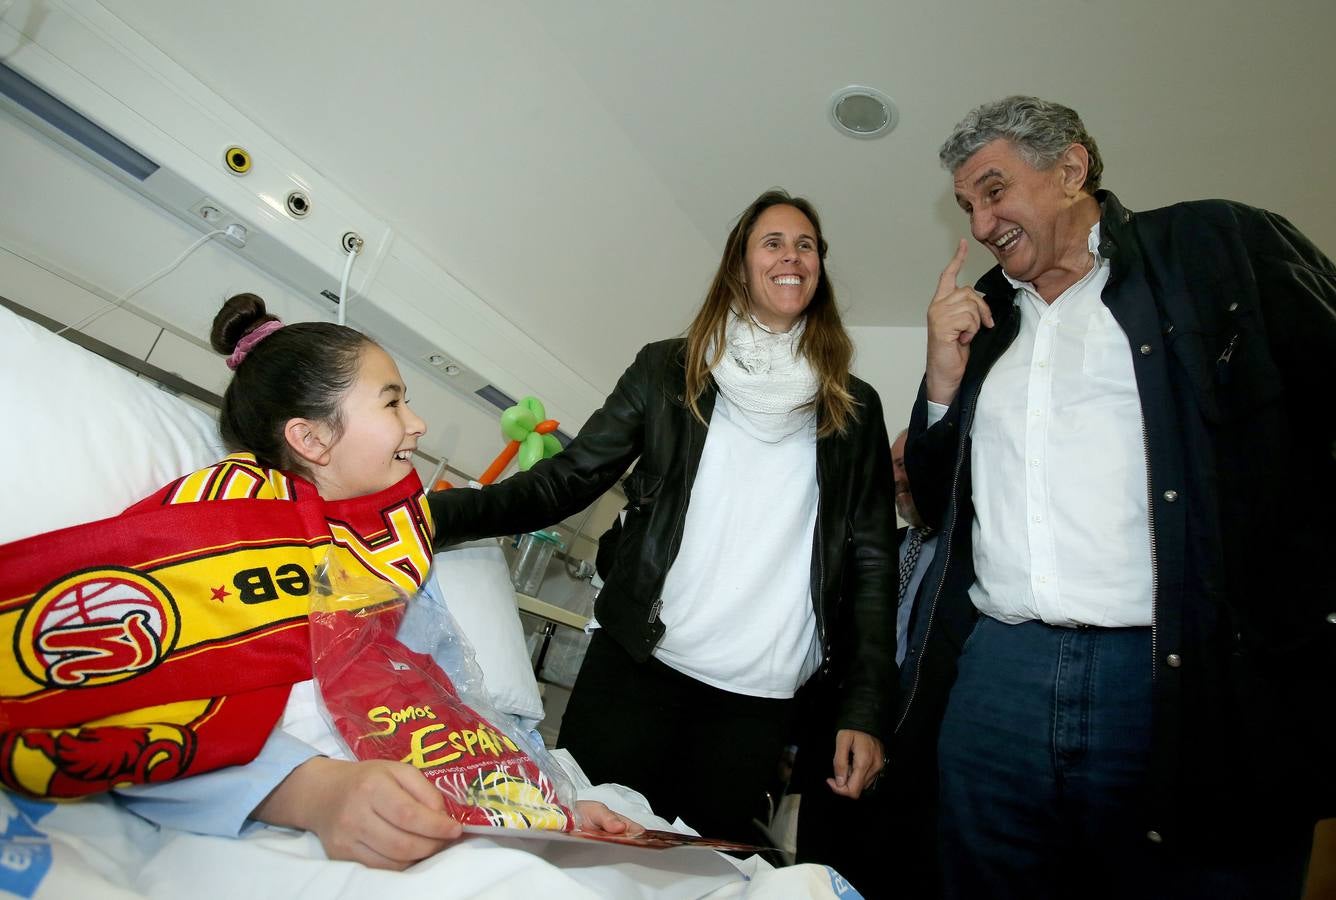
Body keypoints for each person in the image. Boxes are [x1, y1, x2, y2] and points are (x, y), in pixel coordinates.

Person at [0, 293, 638, 870]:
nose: (416, 424)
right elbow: (147, 705)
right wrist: (310, 793)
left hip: (456, 805)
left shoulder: (393, 548)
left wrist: (552, 801)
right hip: (308, 817)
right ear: (309, 438)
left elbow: (457, 711)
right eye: (393, 401)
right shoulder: (219, 525)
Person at [900, 95, 1336, 898]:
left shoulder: (1213, 246)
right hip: (1000, 674)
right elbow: (934, 504)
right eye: (967, 205)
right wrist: (940, 378)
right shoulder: (984, 324)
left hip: (1176, 666)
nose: (983, 220)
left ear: (1071, 168)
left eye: (994, 190)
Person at [431, 189, 897, 844]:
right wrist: (428, 515)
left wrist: (866, 708)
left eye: (807, 245)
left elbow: (873, 566)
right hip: (636, 677)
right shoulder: (667, 371)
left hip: (757, 709)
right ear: (739, 265)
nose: (792, 256)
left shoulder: (855, 409)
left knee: (697, 881)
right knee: (581, 862)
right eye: (774, 243)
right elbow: (567, 479)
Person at [793, 427, 938, 899]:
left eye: (906, 463)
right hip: (837, 749)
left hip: (913, 769)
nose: (896, 478)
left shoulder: (968, 564)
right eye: (891, 466)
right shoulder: (879, 550)